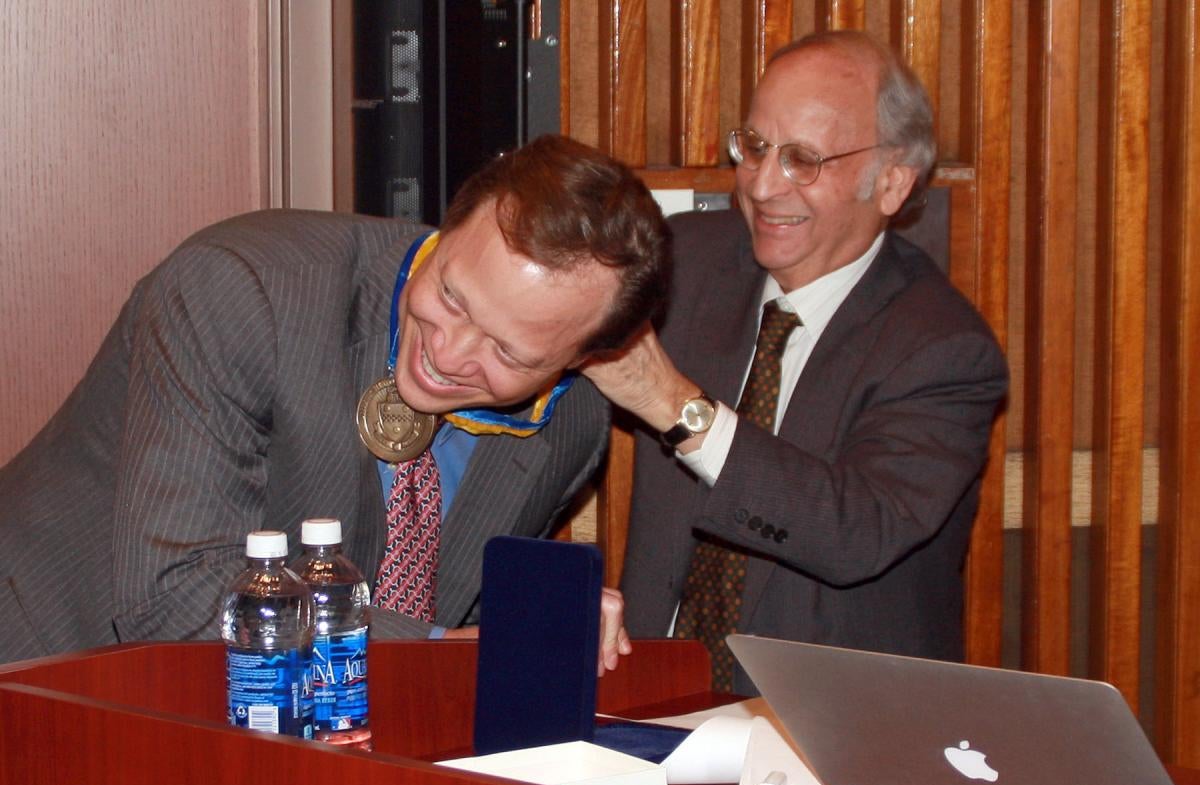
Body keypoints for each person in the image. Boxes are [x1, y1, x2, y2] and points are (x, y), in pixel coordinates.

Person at [0, 134, 667, 670]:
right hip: (49, 678)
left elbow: (462, 612)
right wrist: (435, 651)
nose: (450, 354)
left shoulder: (571, 423)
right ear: (446, 227)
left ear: (582, 360)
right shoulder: (244, 291)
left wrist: (545, 621)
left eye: (509, 354)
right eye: (452, 298)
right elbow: (177, 600)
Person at [585, 31, 1008, 693]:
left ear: (892, 182)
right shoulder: (682, 264)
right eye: (754, 147)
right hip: (647, 698)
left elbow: (854, 532)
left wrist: (677, 406)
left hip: (840, 731)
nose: (761, 183)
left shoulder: (942, 349)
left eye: (803, 159)